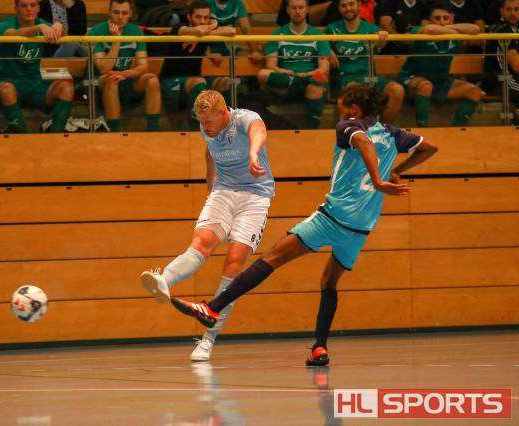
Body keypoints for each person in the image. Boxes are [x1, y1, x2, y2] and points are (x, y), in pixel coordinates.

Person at [169, 85, 438, 366]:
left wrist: (380, 181)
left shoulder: (348, 126)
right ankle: (320, 347)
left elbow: (364, 143)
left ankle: (213, 308)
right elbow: (430, 147)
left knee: (272, 258)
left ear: (354, 110)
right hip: (361, 228)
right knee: (329, 282)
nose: (338, 113)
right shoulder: (394, 134)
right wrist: (398, 170)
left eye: (341, 107)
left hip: (333, 216)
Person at [140, 90, 274, 362]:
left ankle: (208, 339)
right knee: (202, 242)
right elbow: (210, 152)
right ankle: (164, 279)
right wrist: (209, 181)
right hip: (223, 191)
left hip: (255, 196)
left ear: (224, 113)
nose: (206, 128)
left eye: (210, 122)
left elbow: (259, 130)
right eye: (202, 123)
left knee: (234, 261)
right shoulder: (207, 128)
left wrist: (253, 153)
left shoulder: (244, 119)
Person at [0, 0, 74, 133]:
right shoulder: (7, 24)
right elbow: (11, 34)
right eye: (24, 5)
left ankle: (55, 139)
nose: (29, 9)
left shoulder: (41, 23)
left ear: (38, 8)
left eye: (33, 5)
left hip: (34, 83)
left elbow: (64, 36)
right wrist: (38, 28)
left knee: (67, 88)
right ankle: (24, 140)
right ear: (16, 8)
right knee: (7, 90)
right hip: (8, 80)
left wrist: (59, 26)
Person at [397, 1, 482, 127]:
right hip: (412, 78)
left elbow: (475, 29)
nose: (442, 22)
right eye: (437, 18)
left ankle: (456, 130)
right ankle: (424, 131)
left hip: (441, 81)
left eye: (446, 18)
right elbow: (429, 29)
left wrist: (447, 30)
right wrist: (456, 32)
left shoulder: (451, 33)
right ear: (429, 20)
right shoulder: (420, 30)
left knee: (475, 91)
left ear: (452, 18)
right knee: (426, 86)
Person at [158, 0, 236, 127]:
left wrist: (209, 29)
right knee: (199, 82)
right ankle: (196, 126)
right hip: (171, 80)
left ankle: (226, 126)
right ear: (189, 17)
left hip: (196, 79)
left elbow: (231, 31)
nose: (202, 21)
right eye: (198, 17)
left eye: (206, 17)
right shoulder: (180, 27)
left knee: (227, 82)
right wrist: (213, 24)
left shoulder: (205, 29)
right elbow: (199, 31)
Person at [325, 0, 404, 122]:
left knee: (397, 90)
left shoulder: (371, 28)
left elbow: (380, 46)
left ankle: (382, 128)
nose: (348, 8)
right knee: (356, 92)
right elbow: (320, 44)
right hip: (345, 79)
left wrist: (382, 39)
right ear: (339, 8)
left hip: (369, 77)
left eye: (351, 4)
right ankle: (354, 130)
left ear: (359, 6)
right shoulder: (331, 28)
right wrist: (327, 49)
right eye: (343, 5)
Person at [88, 0, 161, 132]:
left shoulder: (136, 32)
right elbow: (103, 68)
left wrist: (124, 74)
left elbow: (143, 66)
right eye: (116, 12)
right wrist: (116, 40)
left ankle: (153, 131)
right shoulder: (95, 31)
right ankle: (115, 132)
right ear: (109, 12)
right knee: (111, 80)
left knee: (152, 79)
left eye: (124, 13)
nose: (120, 17)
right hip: (104, 82)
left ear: (130, 14)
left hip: (127, 78)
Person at [258, 0, 331, 129]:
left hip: (310, 78)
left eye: (301, 8)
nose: (297, 11)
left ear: (307, 9)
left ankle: (312, 130)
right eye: (294, 8)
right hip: (287, 80)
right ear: (288, 9)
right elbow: (271, 65)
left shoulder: (319, 35)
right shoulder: (277, 34)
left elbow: (324, 69)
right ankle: (296, 82)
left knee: (316, 86)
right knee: (262, 74)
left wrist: (306, 74)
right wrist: (284, 72)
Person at [484, 0, 519, 123]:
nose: (513, 13)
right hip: (499, 78)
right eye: (509, 9)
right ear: (502, 11)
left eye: (517, 9)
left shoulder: (516, 28)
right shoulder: (502, 30)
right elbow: (517, 66)